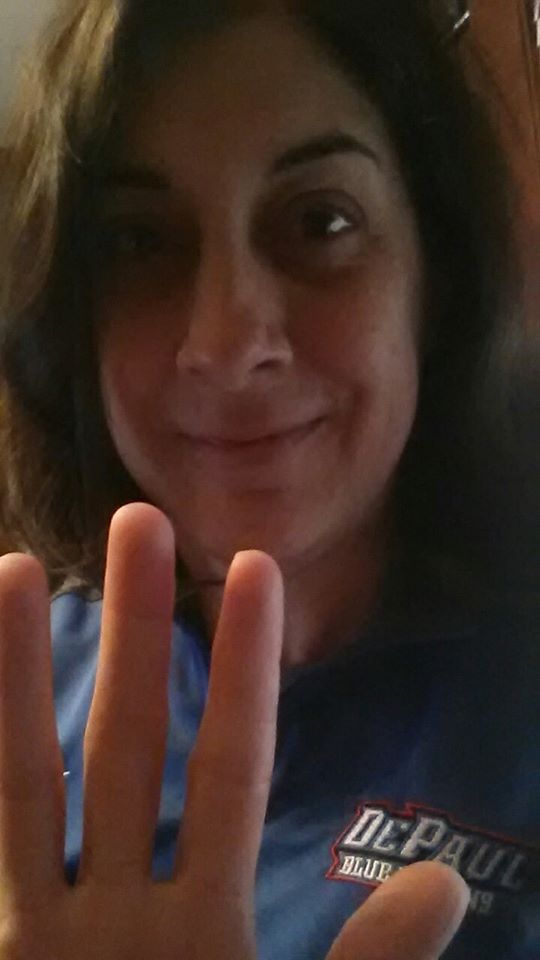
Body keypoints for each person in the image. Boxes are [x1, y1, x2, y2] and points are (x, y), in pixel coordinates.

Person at [0, 0, 538, 957]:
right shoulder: (21, 687)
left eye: (320, 221)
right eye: (138, 241)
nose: (224, 342)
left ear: (436, 278)